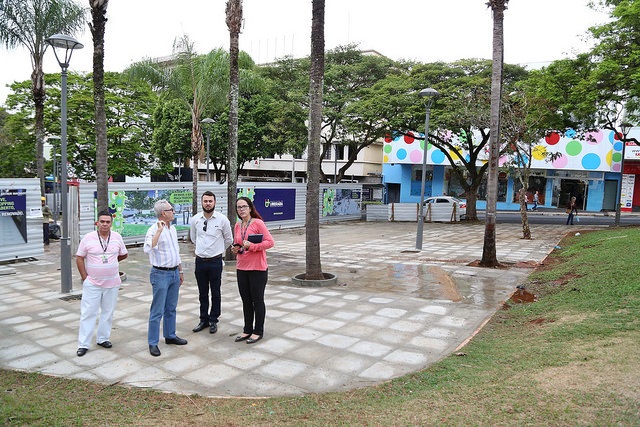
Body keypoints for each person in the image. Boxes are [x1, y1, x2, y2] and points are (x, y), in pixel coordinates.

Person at [75, 211, 128, 357]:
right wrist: (85, 277)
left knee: (108, 312)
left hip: (112, 283)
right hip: (92, 283)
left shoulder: (117, 237)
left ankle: (103, 338)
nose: (105, 224)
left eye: (107, 222)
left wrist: (110, 263)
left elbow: (124, 254)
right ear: (97, 223)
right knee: (88, 313)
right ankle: (83, 344)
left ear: (111, 223)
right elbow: (79, 258)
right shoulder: (88, 238)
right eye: (102, 221)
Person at [143, 199, 187, 357]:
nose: (173, 212)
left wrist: (180, 271)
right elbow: (148, 248)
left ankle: (170, 335)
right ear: (163, 213)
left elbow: (176, 252)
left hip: (174, 272)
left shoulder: (173, 229)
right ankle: (153, 342)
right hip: (160, 274)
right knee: (157, 310)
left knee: (171, 307)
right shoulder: (153, 229)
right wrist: (159, 231)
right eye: (171, 210)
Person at [230, 197, 274, 344]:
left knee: (257, 300)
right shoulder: (237, 225)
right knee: (246, 301)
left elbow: (270, 242)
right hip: (242, 267)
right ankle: (247, 329)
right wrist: (236, 249)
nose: (241, 209)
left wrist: (252, 247)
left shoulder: (258, 223)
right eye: (238, 207)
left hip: (257, 269)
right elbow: (240, 243)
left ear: (250, 208)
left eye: (244, 206)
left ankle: (258, 331)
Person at [189, 191, 233, 334]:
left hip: (215, 261)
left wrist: (217, 251)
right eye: (205, 201)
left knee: (215, 292)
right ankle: (203, 319)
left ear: (215, 202)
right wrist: (203, 250)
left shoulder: (222, 220)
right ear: (201, 202)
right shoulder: (195, 219)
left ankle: (214, 319)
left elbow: (229, 240)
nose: (208, 203)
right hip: (200, 261)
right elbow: (193, 238)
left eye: (210, 201)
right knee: (202, 293)